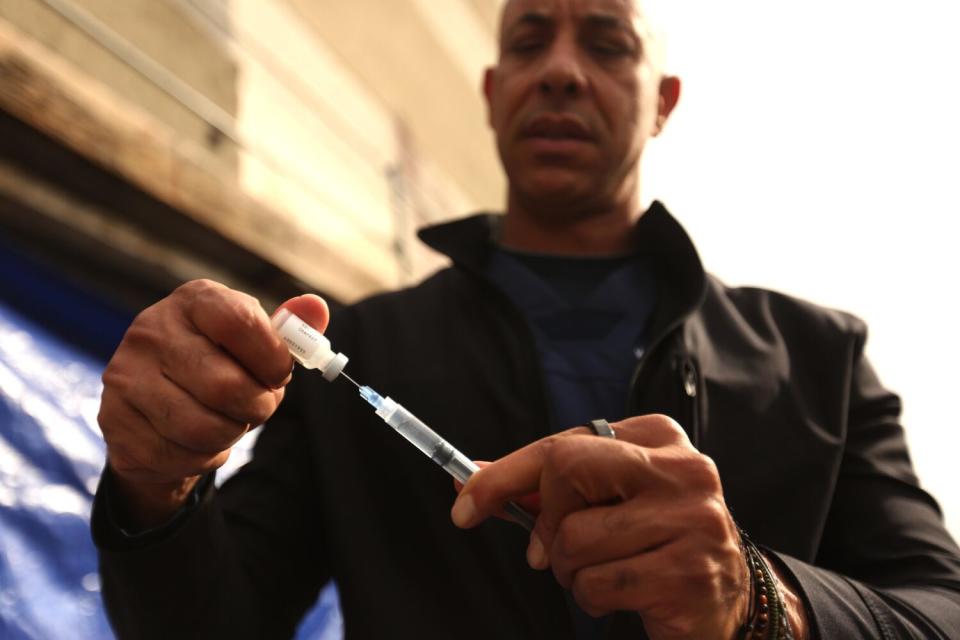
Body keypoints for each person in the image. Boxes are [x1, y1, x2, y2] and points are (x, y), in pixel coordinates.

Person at [91, 0, 960, 638]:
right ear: (494, 89)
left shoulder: (819, 360)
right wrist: (155, 486)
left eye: (609, 43)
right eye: (530, 39)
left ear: (663, 100)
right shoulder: (373, 341)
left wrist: (761, 599)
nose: (561, 69)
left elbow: (939, 612)